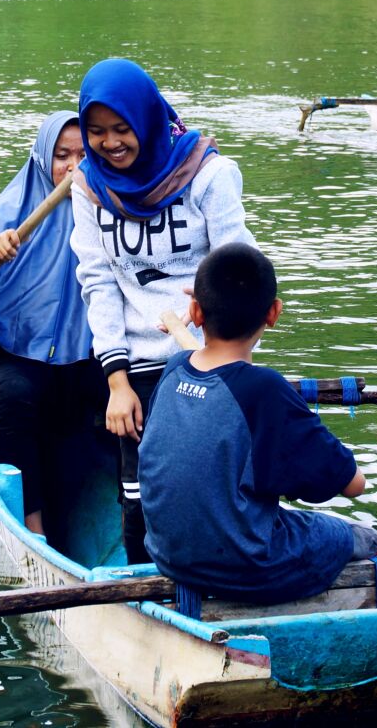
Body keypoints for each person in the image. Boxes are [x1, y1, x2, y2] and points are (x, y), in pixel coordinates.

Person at [69, 59, 257, 564]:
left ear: (147, 120)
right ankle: (145, 599)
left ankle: (227, 583)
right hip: (137, 365)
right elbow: (98, 281)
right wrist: (116, 381)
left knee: (223, 487)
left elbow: (240, 273)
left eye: (122, 128)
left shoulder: (209, 175)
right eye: (97, 132)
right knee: (139, 497)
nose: (110, 143)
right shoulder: (89, 186)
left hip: (207, 354)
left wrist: (233, 364)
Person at [138, 243, 377, 605]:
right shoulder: (263, 389)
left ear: (195, 311)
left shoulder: (174, 368)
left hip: (169, 556)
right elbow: (353, 485)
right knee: (367, 540)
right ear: (273, 313)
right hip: (248, 566)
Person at [0, 111, 102, 536]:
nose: (73, 166)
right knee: (16, 396)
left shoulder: (110, 208)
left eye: (84, 154)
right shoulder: (15, 206)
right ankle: (32, 525)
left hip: (87, 355)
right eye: (62, 155)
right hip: (13, 355)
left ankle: (127, 517)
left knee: (131, 395)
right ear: (42, 159)